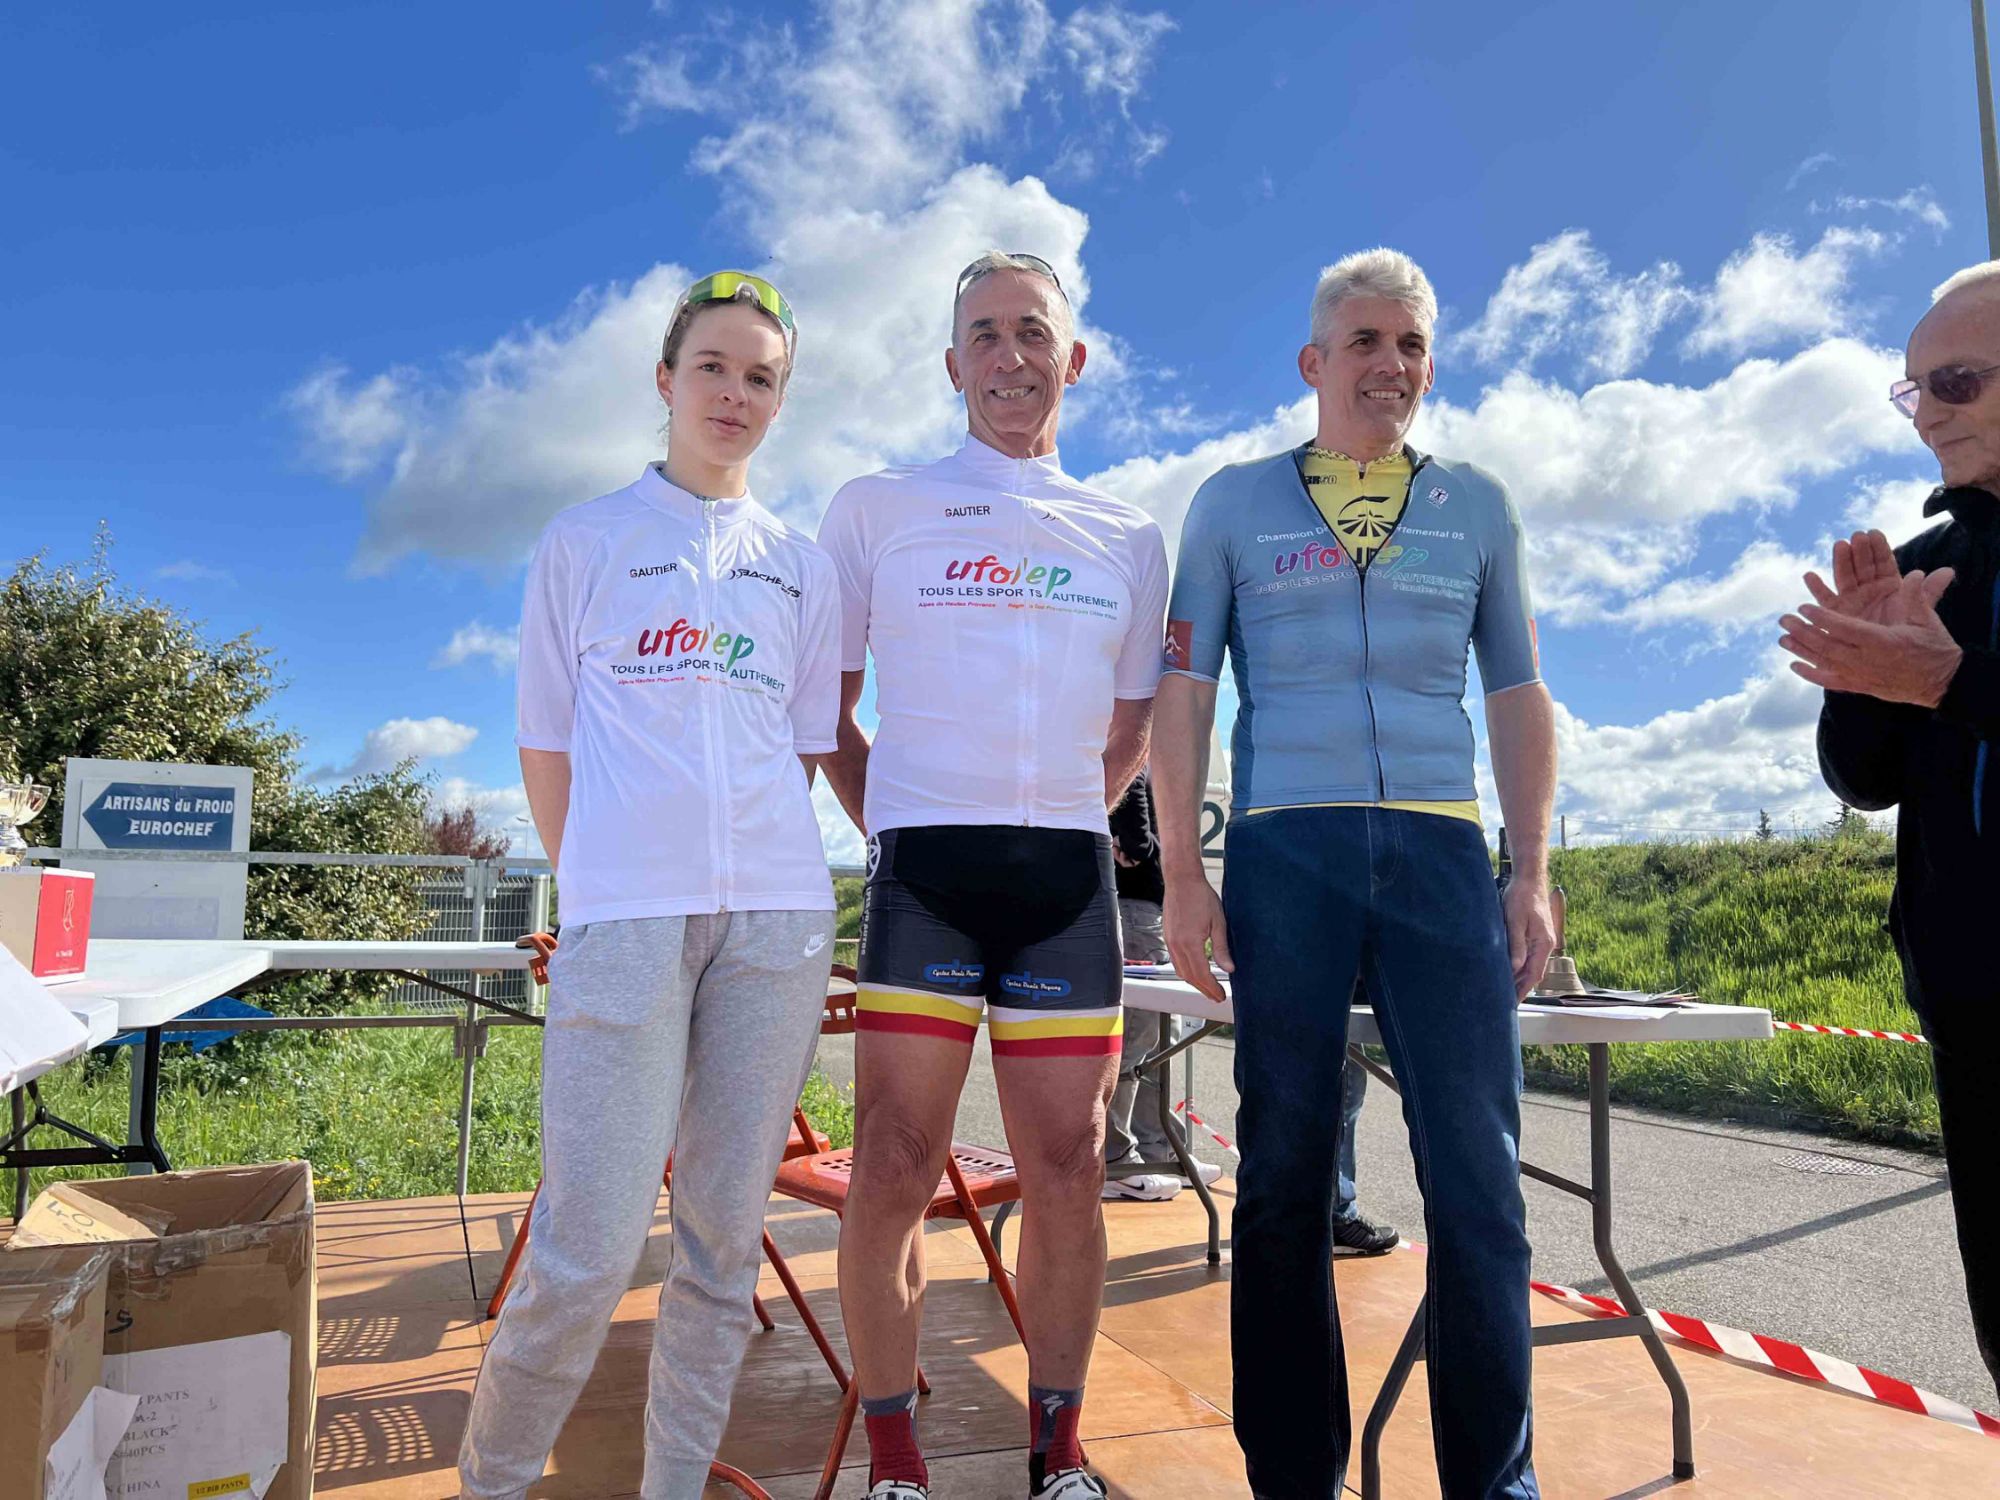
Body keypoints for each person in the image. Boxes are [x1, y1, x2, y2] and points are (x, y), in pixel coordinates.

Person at [1154, 247, 1554, 1499]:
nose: (1391, 365)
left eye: (1411, 345)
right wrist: (1182, 873)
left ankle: (1493, 1484)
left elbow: (1518, 693)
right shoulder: (1231, 503)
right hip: (1287, 851)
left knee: (1478, 1183)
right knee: (1280, 1176)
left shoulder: (1475, 505)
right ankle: (1293, 1479)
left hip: (1439, 853)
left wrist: (1529, 870)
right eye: (1367, 342)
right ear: (1312, 361)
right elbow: (1183, 690)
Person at [459, 271, 843, 1500]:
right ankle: (492, 1483)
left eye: (760, 377)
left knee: (724, 1244)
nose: (734, 393)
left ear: (780, 400)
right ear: (665, 379)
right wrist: (595, 886)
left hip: (778, 925)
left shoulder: (801, 564)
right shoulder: (584, 540)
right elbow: (544, 738)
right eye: (712, 366)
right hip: (625, 918)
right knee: (585, 1250)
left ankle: (672, 1485)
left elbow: (800, 744)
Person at [817, 251, 1169, 1500]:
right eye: (982, 333)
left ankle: (1056, 1451)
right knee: (892, 1161)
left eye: (1031, 331)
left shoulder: (1128, 534)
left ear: (1073, 358)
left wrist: (1064, 812)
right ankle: (895, 1463)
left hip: (1063, 886)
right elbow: (824, 712)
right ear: (950, 363)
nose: (1008, 355)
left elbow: (1133, 727)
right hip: (925, 878)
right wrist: (897, 824)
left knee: (1069, 1166)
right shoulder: (876, 508)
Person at [1782, 259, 2000, 1400]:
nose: (1923, 418)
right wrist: (1864, 681)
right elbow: (1861, 783)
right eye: (1912, 390)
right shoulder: (1929, 565)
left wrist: (1955, 681)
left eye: (1954, 384)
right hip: (1974, 1011)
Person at [1101, 768, 1221, 1201]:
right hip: (1137, 910)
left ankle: (1157, 1149)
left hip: (1145, 911)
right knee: (1138, 1036)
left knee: (1156, 1039)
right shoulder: (1134, 757)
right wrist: (1151, 851)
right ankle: (1117, 1158)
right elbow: (1135, 837)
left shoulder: (1139, 757)